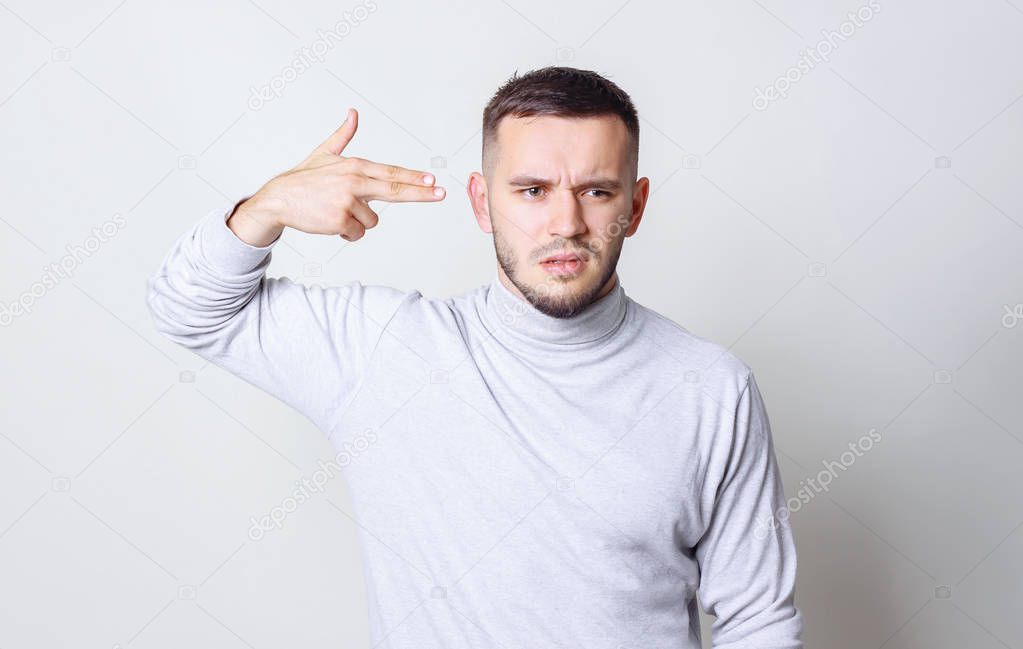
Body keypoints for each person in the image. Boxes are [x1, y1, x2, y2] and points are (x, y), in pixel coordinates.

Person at [147, 66, 803, 648]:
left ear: (634, 206)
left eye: (597, 191)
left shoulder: (709, 387)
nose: (565, 223)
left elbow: (758, 619)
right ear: (481, 202)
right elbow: (188, 308)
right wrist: (263, 211)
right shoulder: (382, 351)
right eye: (531, 190)